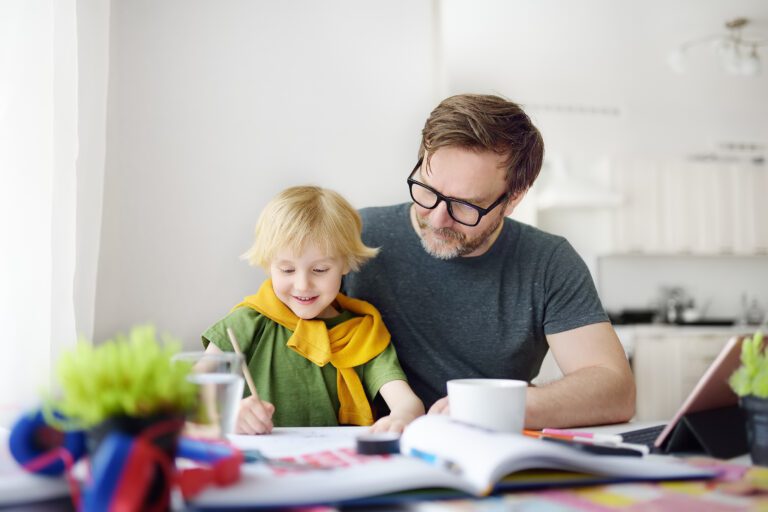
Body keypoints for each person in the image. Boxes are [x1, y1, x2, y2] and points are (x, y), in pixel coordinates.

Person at [343, 94, 635, 429]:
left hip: (489, 451)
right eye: (427, 189)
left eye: (466, 205)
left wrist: (499, 406)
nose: (438, 219)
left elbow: (615, 391)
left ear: (513, 199)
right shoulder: (354, 236)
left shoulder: (548, 261)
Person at [202, 186, 424, 434]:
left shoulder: (363, 333)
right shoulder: (245, 323)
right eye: (287, 270)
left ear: (346, 263)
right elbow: (187, 396)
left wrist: (403, 417)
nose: (302, 285)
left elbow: (407, 403)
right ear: (268, 265)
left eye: (319, 270)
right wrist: (228, 414)